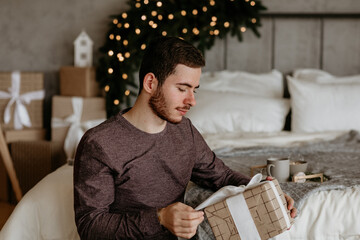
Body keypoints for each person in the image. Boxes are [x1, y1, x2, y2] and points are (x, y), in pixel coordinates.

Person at [73, 36, 296, 240]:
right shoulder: (100, 143)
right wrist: (160, 218)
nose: (192, 101)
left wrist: (268, 193)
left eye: (194, 90)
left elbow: (220, 175)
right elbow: (90, 225)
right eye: (182, 89)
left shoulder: (184, 131)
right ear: (150, 83)